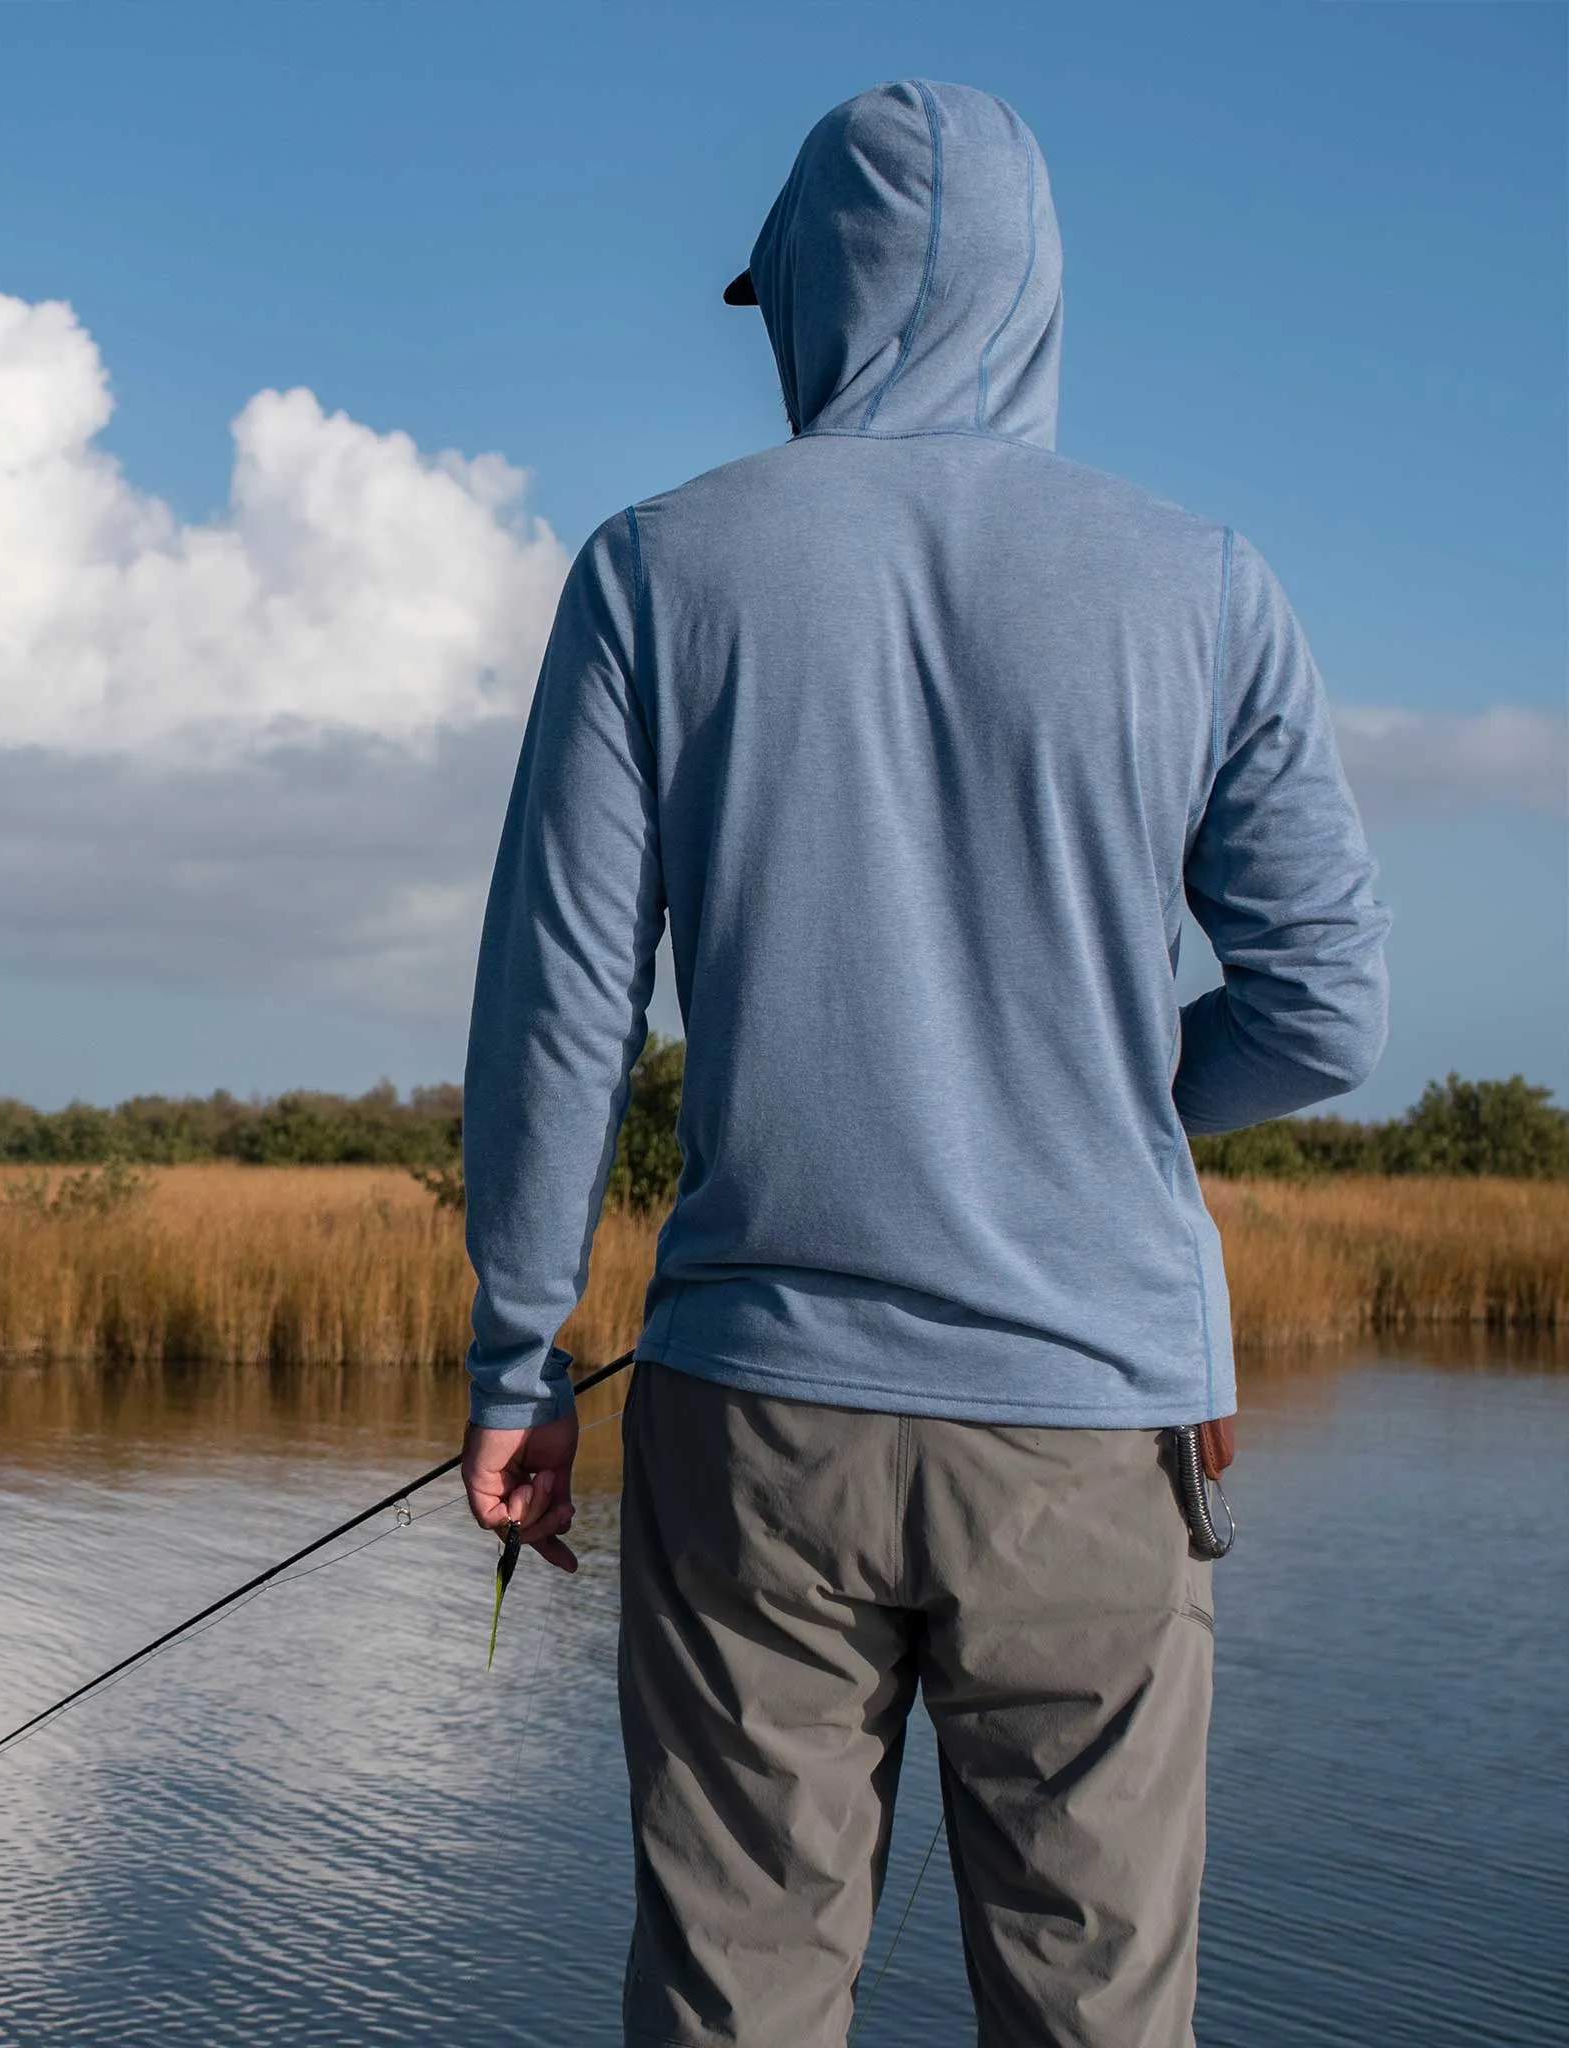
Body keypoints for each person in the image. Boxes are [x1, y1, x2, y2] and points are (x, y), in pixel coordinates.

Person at [457, 79, 1388, 2048]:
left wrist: (518, 1361)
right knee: (1094, 2016)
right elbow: (1324, 1008)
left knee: (734, 2003)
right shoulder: (1204, 581)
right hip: (1091, 1426)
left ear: (805, 298)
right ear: (1037, 297)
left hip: (754, 1430)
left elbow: (560, 1003)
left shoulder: (653, 569)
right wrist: (1114, 1107)